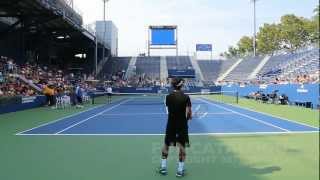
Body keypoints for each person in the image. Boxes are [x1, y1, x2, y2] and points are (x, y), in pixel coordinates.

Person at [158, 78, 192, 177]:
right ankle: (180, 171)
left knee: (166, 145)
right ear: (181, 85)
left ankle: (163, 168)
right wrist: (189, 117)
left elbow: (171, 109)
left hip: (171, 125)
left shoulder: (168, 97)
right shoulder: (186, 97)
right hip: (182, 126)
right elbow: (189, 113)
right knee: (182, 147)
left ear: (173, 85)